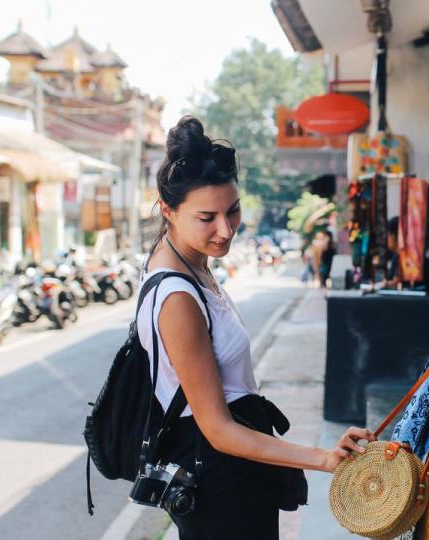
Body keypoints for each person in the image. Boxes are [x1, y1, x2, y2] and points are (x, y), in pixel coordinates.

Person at [139, 116, 374, 539]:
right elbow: (218, 428)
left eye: (233, 210)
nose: (225, 229)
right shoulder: (176, 298)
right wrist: (321, 458)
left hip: (240, 468)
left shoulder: (190, 264)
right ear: (168, 210)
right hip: (220, 480)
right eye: (206, 217)